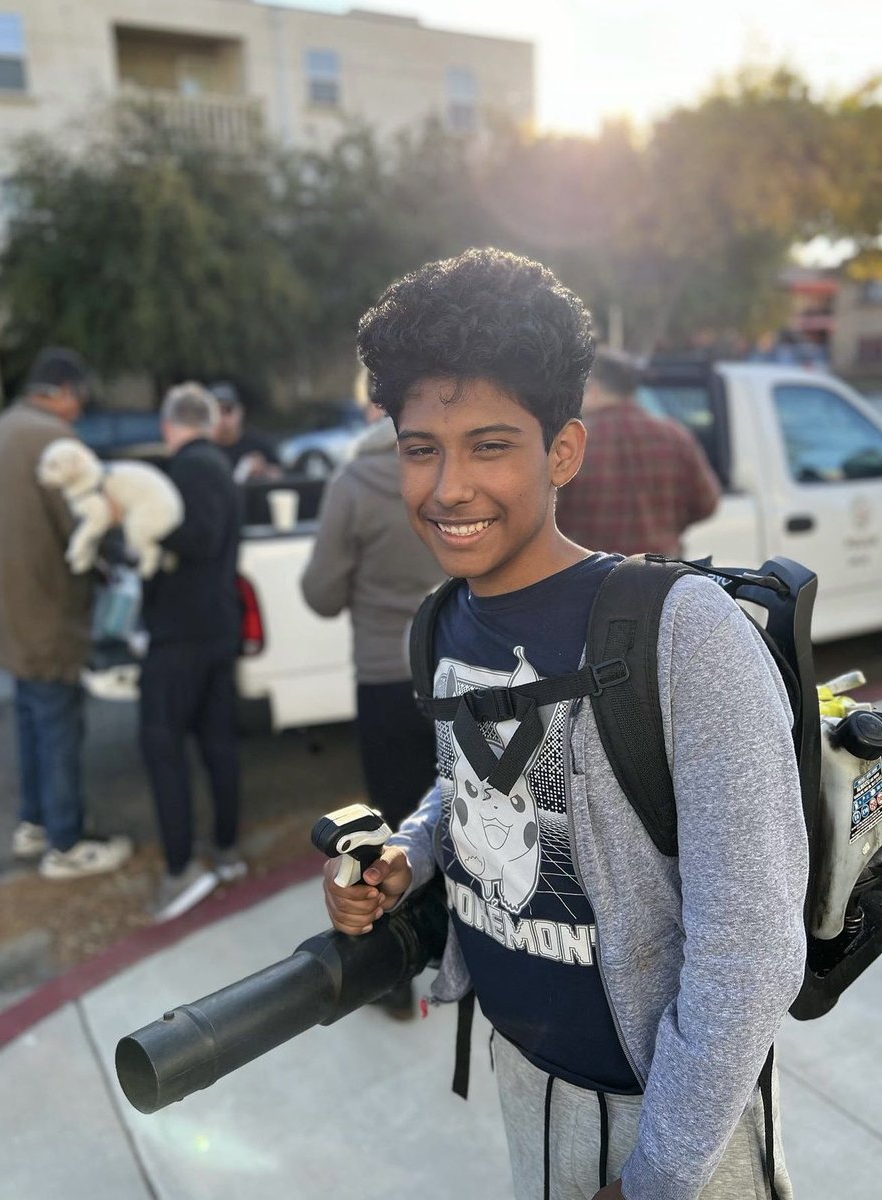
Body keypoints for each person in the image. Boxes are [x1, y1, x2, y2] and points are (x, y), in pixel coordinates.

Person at [323, 249, 807, 1200]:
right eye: (422, 448)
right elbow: (467, 779)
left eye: (490, 445)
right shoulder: (444, 619)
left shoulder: (683, 633)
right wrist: (409, 857)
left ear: (562, 452)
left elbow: (749, 948)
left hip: (674, 1117)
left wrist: (656, 1174)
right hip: (523, 1073)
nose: (448, 486)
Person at [301, 374, 444, 1014]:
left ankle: (393, 979)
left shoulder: (354, 484)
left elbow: (320, 593)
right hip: (453, 670)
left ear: (369, 408)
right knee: (462, 816)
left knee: (383, 838)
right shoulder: (451, 471)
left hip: (385, 675)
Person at [0, 347, 132, 878]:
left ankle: (35, 821)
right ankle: (65, 844)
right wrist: (118, 550)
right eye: (79, 399)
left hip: (3, 606)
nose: (80, 410)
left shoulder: (0, 430)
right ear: (64, 391)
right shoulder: (53, 440)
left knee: (30, 717)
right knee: (58, 723)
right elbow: (84, 526)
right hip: (45, 608)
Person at [138, 382, 246, 922]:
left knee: (161, 743)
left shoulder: (190, 468)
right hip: (217, 626)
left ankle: (181, 868)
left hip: (181, 633)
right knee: (217, 741)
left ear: (168, 425)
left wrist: (145, 535)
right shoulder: (221, 465)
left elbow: (197, 538)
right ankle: (226, 850)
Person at [554, 347, 721, 557]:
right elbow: (708, 502)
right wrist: (666, 525)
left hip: (591, 577)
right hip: (662, 577)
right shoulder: (676, 436)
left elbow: (548, 512)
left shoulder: (572, 443)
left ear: (594, 388)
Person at [209, 380, 283, 484]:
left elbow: (281, 477)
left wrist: (264, 471)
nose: (222, 417)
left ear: (240, 411)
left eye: (228, 409)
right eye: (215, 411)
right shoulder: (203, 447)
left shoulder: (258, 443)